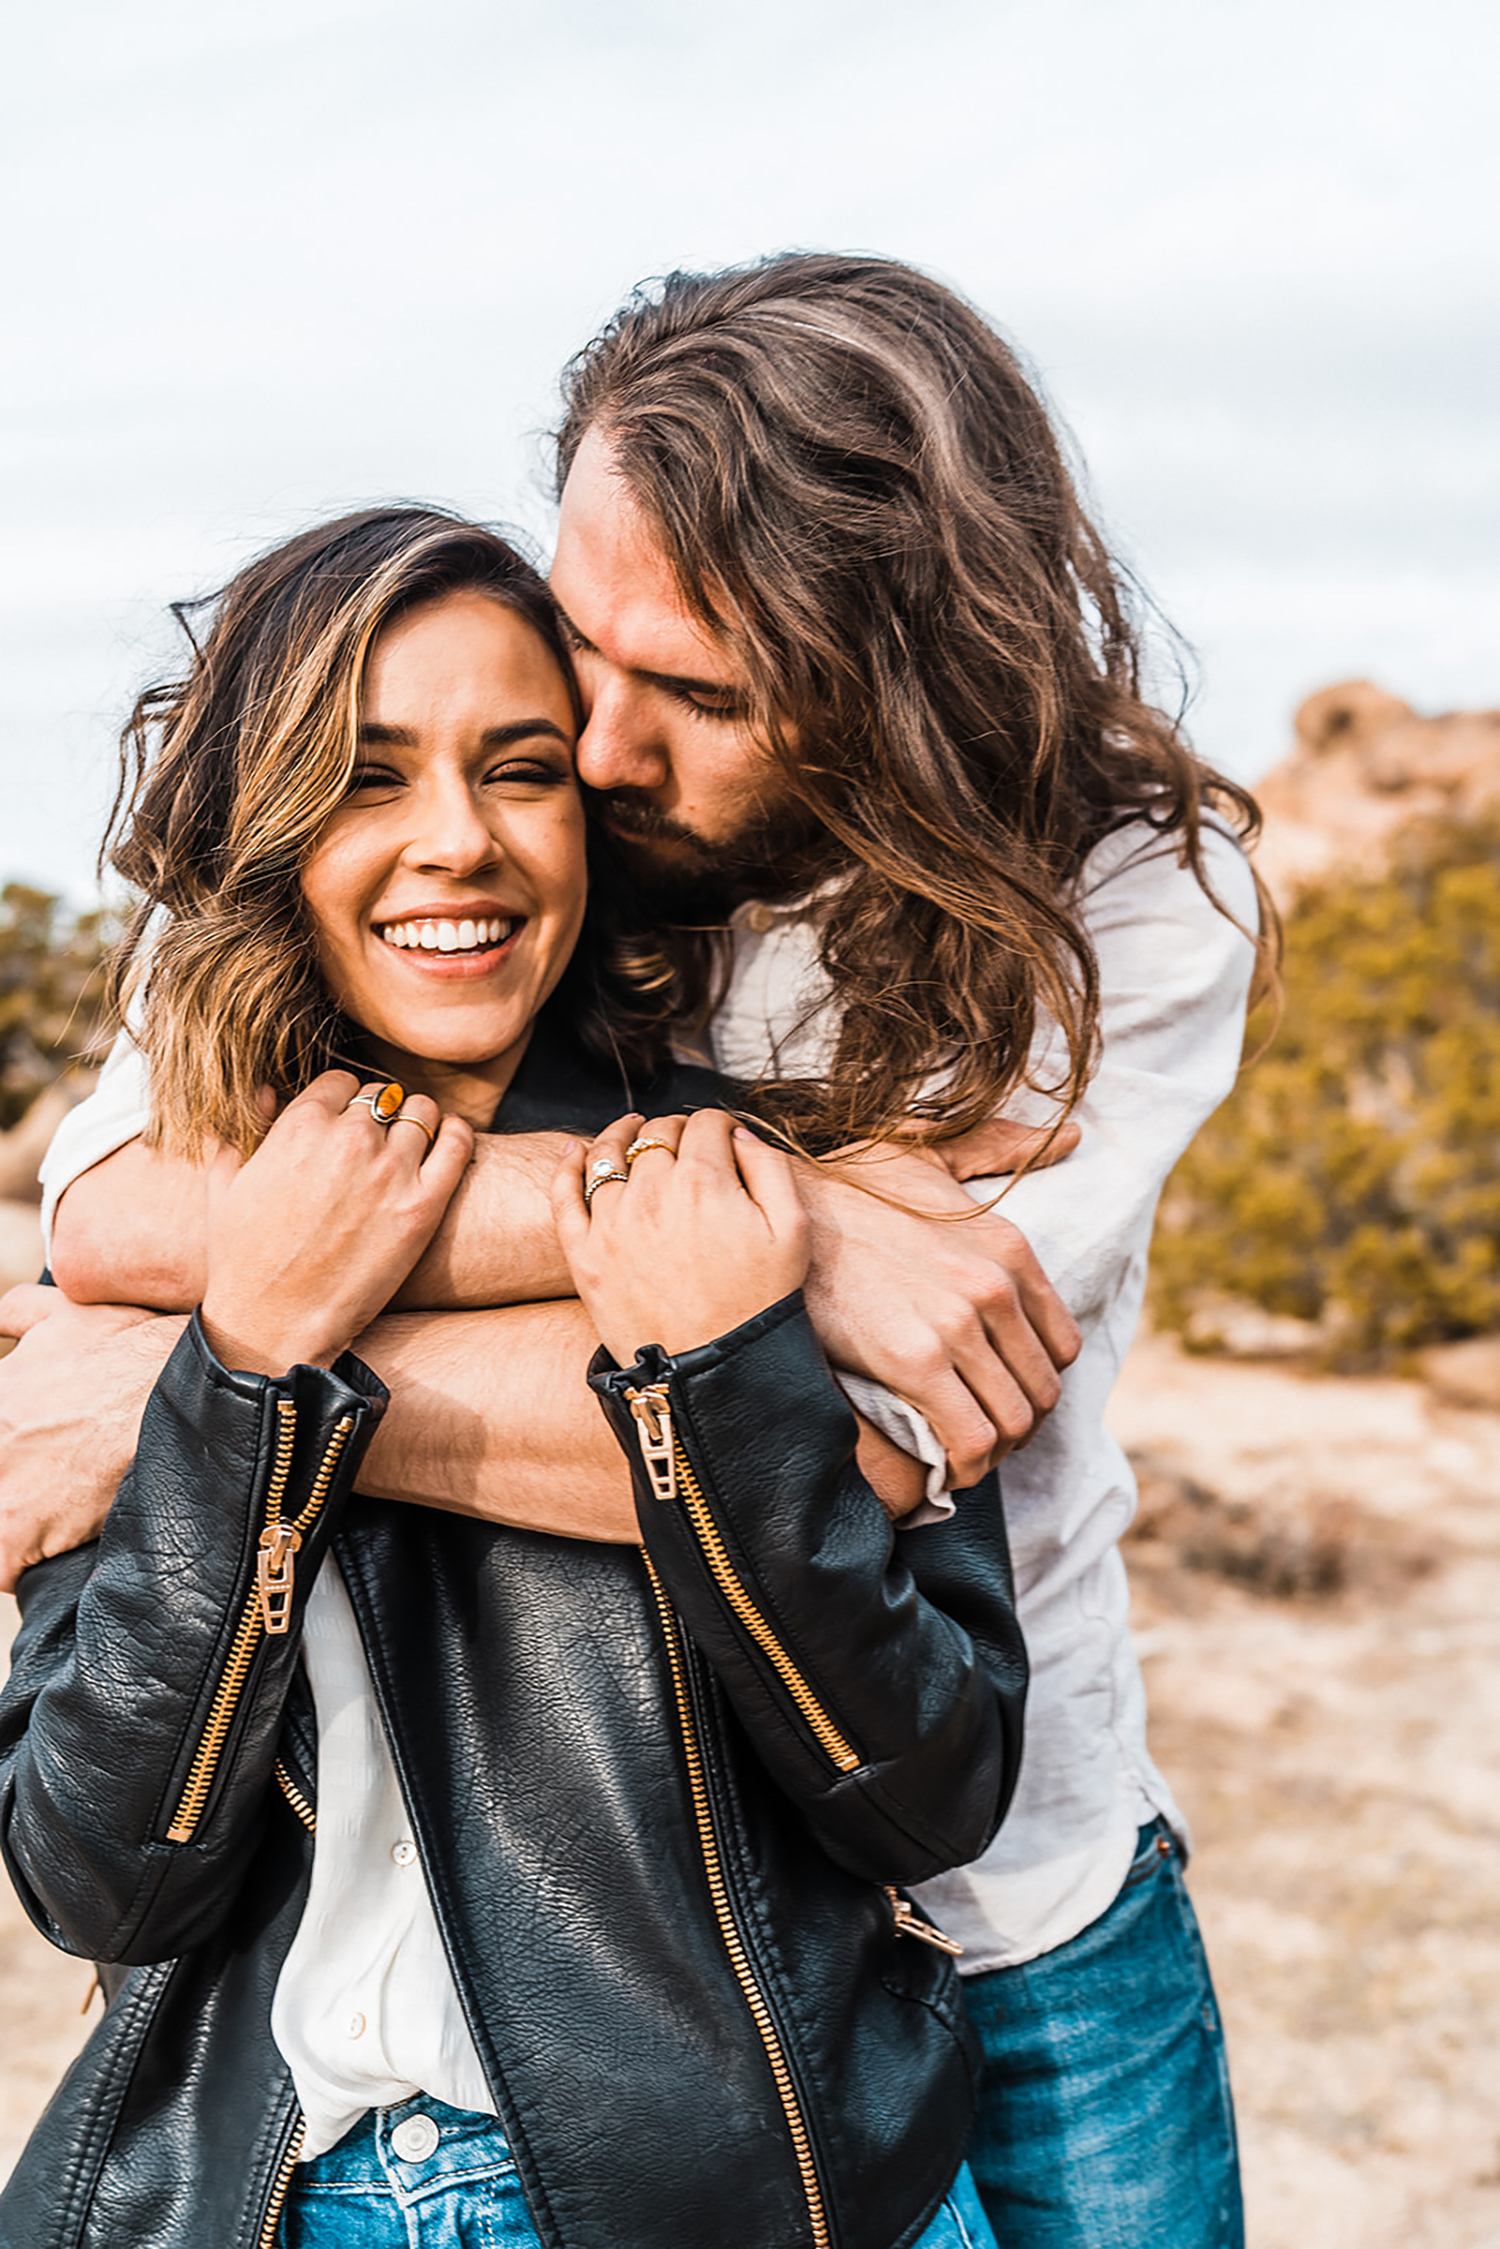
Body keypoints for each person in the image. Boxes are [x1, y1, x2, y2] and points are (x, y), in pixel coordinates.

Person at [3, 252, 1267, 2245]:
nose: (589, 750)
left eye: (692, 696)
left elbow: (821, 1452)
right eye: (588, 647)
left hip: (1010, 1894)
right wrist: (814, 1227)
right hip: (588, 1993)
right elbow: (121, 1207)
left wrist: (220, 1384)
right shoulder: (495, 855)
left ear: (891, 696)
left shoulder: (1126, 914)